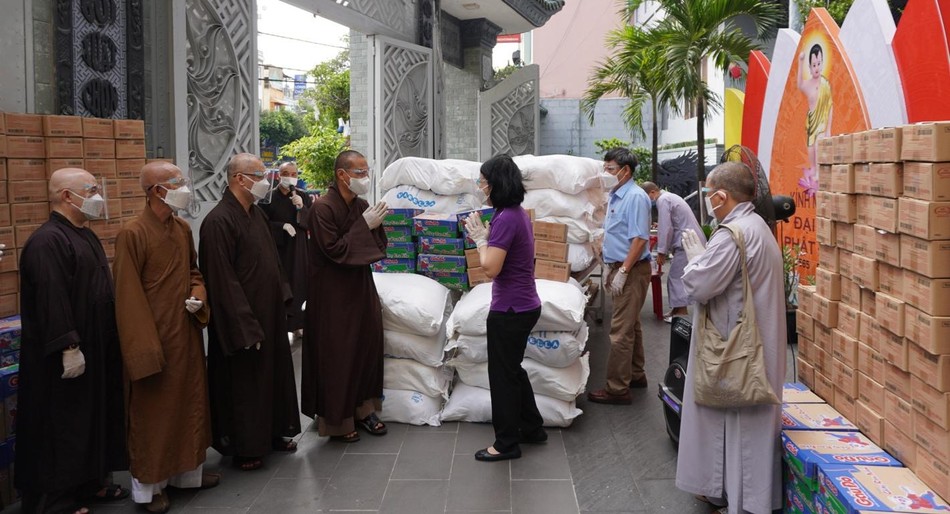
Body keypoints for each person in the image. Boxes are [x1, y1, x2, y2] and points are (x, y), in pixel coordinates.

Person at [675, 162, 786, 514]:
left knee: (742, 429)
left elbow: (700, 285)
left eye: (709, 194)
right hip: (757, 341)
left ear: (721, 196)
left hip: (737, 348)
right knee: (745, 429)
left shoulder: (732, 234)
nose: (708, 200)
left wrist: (695, 262)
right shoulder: (758, 227)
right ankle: (737, 495)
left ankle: (742, 503)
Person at [17, 168, 129, 513]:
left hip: (96, 344)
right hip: (65, 353)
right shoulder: (47, 240)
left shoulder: (85, 234)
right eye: (92, 189)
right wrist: (68, 346)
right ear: (67, 196)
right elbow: (52, 299)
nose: (98, 196)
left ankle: (90, 483)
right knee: (62, 424)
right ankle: (56, 498)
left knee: (91, 418)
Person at [113, 162, 218, 512]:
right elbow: (127, 296)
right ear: (157, 190)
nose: (185, 187)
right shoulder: (133, 233)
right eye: (178, 182)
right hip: (153, 337)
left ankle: (187, 474)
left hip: (183, 334)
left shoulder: (182, 229)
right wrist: (142, 350)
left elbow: (193, 271)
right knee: (153, 413)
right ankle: (151, 487)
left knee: (189, 405)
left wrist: (198, 295)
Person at [199, 153, 301, 471]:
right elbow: (222, 281)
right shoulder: (218, 221)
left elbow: (272, 260)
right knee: (245, 384)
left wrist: (284, 297)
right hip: (242, 320)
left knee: (272, 377)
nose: (265, 181)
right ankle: (246, 445)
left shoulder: (255, 215)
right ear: (240, 179)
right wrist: (244, 325)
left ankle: (272, 433)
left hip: (268, 312)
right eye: (259, 175)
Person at [463, 155, 545, 462]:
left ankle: (506, 443)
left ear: (495, 184)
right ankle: (533, 427)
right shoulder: (514, 213)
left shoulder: (506, 218)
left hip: (510, 309)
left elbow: (490, 269)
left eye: (483, 181)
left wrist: (480, 240)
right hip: (523, 304)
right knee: (513, 370)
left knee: (503, 376)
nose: (481, 186)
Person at [303, 150, 388, 443]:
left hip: (360, 288)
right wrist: (364, 226)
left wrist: (370, 226)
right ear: (342, 174)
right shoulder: (323, 209)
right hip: (332, 294)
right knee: (338, 354)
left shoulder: (361, 204)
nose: (365, 178)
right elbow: (335, 250)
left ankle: (364, 410)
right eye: (360, 172)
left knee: (366, 347)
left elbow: (377, 244)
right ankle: (337, 421)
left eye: (366, 171)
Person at [587, 148, 653, 405]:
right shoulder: (616, 195)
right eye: (606, 168)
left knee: (620, 332)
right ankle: (636, 375)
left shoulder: (635, 197)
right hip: (621, 267)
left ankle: (617, 389)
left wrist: (623, 271)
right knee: (631, 325)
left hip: (633, 270)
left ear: (626, 171)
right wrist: (609, 266)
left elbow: (639, 239)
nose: (607, 174)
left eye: (611, 169)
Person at [260, 161, 313, 340]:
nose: (289, 177)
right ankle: (282, 323)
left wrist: (302, 208)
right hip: (279, 247)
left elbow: (310, 221)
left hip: (299, 247)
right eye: (285, 172)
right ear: (278, 175)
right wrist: (280, 226)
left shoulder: (303, 196)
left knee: (300, 283)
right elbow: (261, 223)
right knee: (282, 284)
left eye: (293, 173)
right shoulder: (268, 197)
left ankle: (299, 323)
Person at [641, 182, 706, 322]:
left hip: (687, 241)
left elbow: (666, 228)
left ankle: (681, 313)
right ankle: (677, 309)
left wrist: (661, 251)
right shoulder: (669, 197)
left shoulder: (663, 200)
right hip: (689, 239)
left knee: (676, 277)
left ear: (652, 192)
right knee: (678, 275)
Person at [798, 43, 833, 176]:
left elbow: (830, 106)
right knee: (811, 148)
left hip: (822, 125)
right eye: (814, 65)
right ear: (810, 67)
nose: (817, 67)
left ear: (822, 63)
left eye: (819, 63)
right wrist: (800, 62)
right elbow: (800, 84)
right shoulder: (808, 85)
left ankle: (819, 171)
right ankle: (814, 170)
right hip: (812, 123)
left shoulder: (825, 84)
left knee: (819, 144)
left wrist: (828, 129)